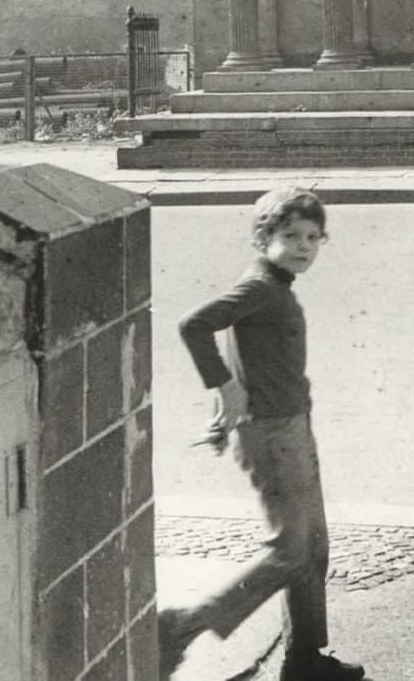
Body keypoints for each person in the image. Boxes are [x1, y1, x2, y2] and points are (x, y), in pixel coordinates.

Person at [158, 187, 365, 681]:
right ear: (263, 236)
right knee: (291, 551)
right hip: (274, 436)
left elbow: (240, 347)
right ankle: (181, 627)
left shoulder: (272, 285)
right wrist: (226, 391)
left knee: (313, 547)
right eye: (290, 235)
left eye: (313, 237)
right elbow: (193, 325)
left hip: (289, 426)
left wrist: (229, 394)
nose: (303, 246)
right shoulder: (262, 287)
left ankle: (305, 660)